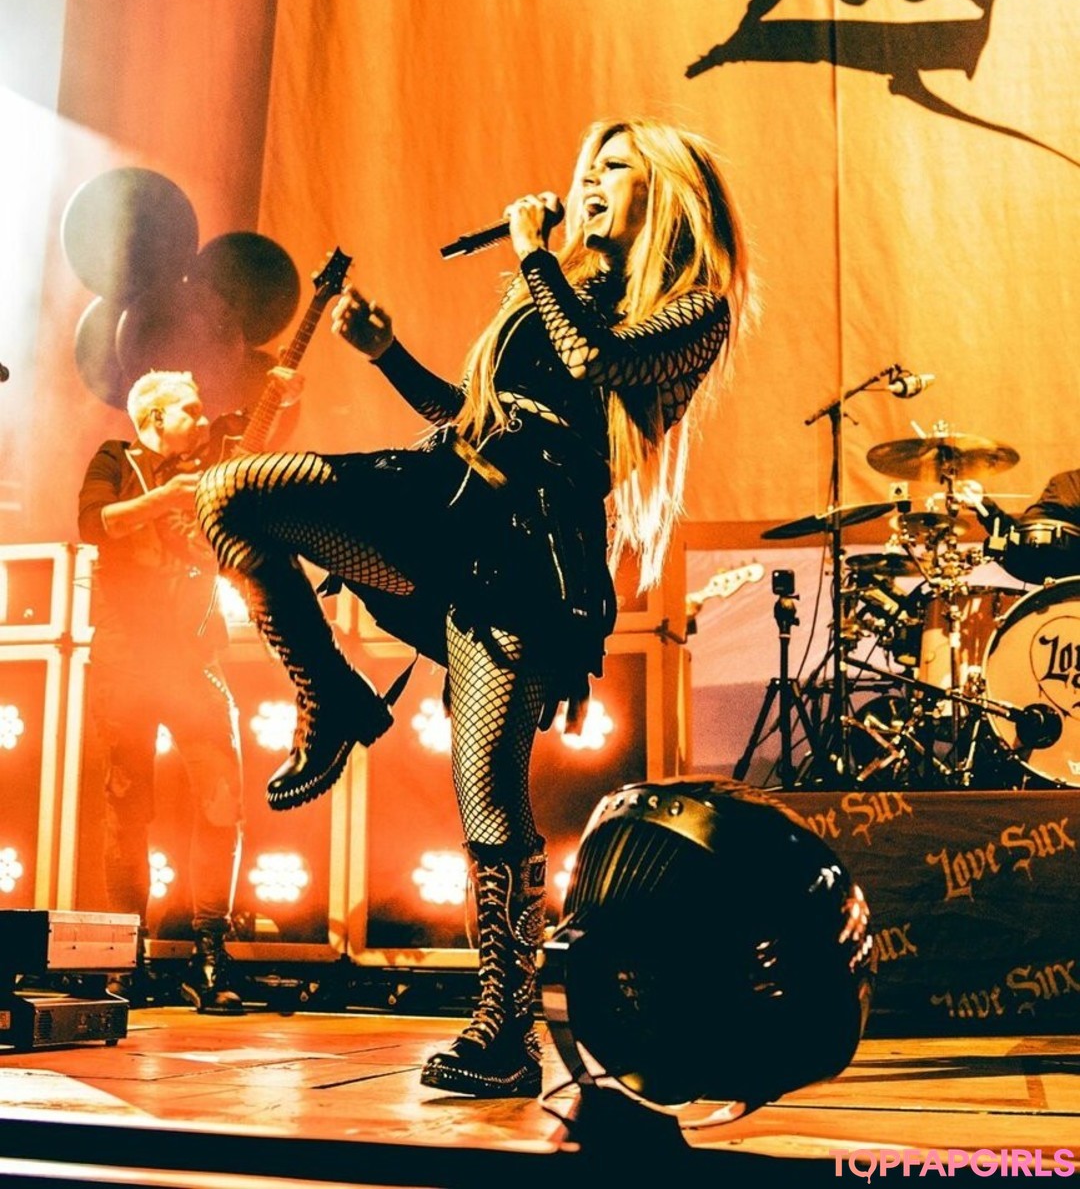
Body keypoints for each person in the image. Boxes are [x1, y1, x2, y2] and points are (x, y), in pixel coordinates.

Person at [194, 117, 754, 1096]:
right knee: (233, 496)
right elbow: (473, 412)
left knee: (488, 789)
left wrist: (534, 253)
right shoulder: (557, 289)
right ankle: (331, 693)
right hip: (444, 494)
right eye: (585, 167)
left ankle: (504, 1030)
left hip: (528, 548)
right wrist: (387, 354)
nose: (587, 183)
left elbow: (596, 363)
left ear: (667, 190)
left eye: (614, 168)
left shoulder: (694, 308)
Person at [78, 371, 246, 1014]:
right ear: (153, 419)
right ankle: (126, 957)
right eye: (190, 412)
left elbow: (252, 438)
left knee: (222, 802)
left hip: (195, 661)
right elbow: (93, 523)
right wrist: (160, 500)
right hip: (127, 662)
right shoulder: (115, 459)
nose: (202, 422)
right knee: (127, 808)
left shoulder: (211, 470)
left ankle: (210, 954)